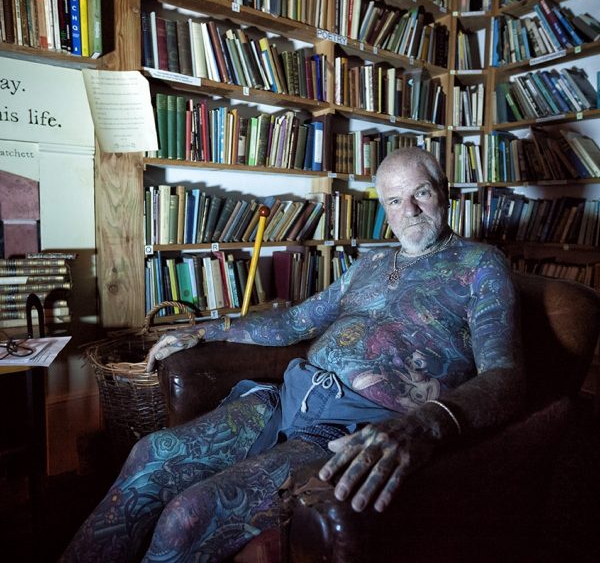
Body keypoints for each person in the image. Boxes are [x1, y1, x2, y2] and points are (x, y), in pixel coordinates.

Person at [61, 147, 524, 562]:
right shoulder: (370, 263)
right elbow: (294, 322)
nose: (410, 211)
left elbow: (505, 375)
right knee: (150, 454)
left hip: (345, 429)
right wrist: (204, 330)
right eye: (395, 201)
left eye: (421, 193)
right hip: (284, 399)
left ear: (445, 191)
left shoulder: (480, 265)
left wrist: (424, 423)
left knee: (190, 513)